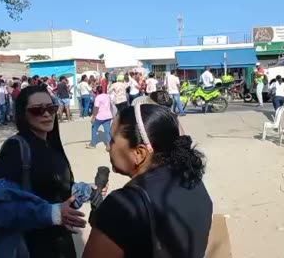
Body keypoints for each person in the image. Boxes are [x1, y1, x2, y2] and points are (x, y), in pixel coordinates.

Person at [83, 104, 212, 258]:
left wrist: (106, 221)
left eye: (112, 140)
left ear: (139, 153)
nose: (108, 148)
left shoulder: (122, 205)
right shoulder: (192, 180)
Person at [0, 86, 106, 258]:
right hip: (30, 247)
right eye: (37, 110)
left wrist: (84, 191)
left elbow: (56, 191)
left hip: (60, 245)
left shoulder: (52, 145)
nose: (46, 114)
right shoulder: (15, 148)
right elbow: (1, 207)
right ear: (23, 114)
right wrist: (52, 213)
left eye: (51, 108)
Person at [87, 86, 113, 150]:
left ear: (97, 91)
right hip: (108, 115)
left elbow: (96, 108)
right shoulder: (107, 96)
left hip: (100, 116)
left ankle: (93, 144)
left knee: (94, 128)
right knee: (107, 131)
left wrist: (93, 116)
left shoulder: (97, 98)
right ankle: (109, 145)